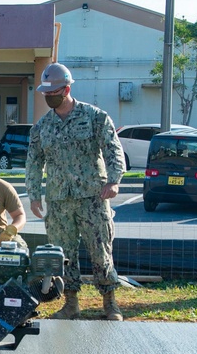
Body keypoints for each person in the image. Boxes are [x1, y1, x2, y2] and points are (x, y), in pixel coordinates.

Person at [26, 62, 126, 321]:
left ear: (66, 89)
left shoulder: (95, 117)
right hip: (59, 201)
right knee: (63, 255)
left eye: (53, 93)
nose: (48, 97)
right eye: (45, 94)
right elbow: (34, 161)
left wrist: (113, 180)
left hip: (93, 198)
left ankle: (109, 303)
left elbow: (114, 150)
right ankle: (71, 304)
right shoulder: (42, 127)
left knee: (100, 251)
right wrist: (34, 194)